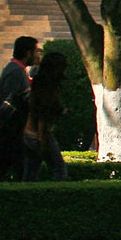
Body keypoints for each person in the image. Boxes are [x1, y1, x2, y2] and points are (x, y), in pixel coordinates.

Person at [0, 36, 39, 180]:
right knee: (3, 168)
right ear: (28, 53)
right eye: (36, 52)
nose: (38, 55)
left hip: (13, 131)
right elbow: (7, 102)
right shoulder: (15, 72)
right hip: (10, 130)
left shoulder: (16, 70)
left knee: (6, 167)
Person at [21, 51, 70, 181]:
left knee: (31, 172)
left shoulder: (39, 82)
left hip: (29, 133)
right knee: (59, 170)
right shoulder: (48, 87)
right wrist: (43, 141)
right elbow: (42, 115)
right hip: (39, 134)